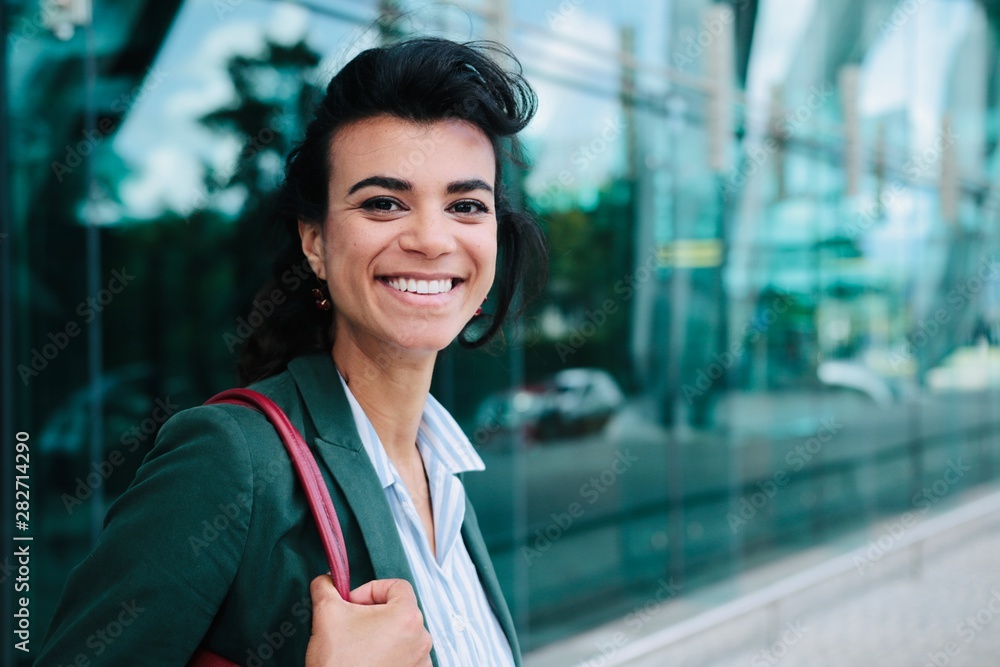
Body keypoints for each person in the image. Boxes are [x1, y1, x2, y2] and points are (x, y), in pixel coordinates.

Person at [35, 36, 546, 666]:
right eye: (384, 203)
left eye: (466, 205)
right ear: (314, 242)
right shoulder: (229, 460)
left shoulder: (446, 474)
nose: (432, 238)